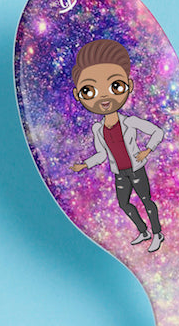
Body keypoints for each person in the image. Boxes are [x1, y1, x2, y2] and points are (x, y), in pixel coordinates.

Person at [69, 39, 165, 253]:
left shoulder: (130, 122)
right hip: (120, 173)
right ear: (78, 95)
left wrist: (147, 150)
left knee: (147, 200)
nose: (104, 96)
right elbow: (101, 154)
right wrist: (84, 165)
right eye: (89, 91)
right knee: (124, 204)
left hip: (136, 169)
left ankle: (157, 233)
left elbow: (157, 132)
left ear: (129, 86)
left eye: (115, 86)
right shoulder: (98, 129)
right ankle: (143, 231)